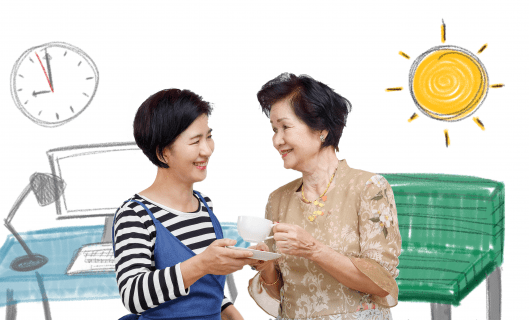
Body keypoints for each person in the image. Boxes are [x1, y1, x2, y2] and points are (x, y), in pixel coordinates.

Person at [247, 73, 402, 320]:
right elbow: (281, 294)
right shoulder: (278, 199)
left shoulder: (369, 188)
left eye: (285, 127)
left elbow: (381, 285)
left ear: (321, 128)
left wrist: (313, 249)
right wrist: (266, 268)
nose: (277, 140)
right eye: (274, 129)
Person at [113, 89, 254, 320]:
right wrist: (202, 263)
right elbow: (133, 296)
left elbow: (206, 288)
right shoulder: (135, 215)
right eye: (195, 141)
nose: (207, 150)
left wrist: (234, 315)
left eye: (208, 136)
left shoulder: (204, 205)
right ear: (163, 152)